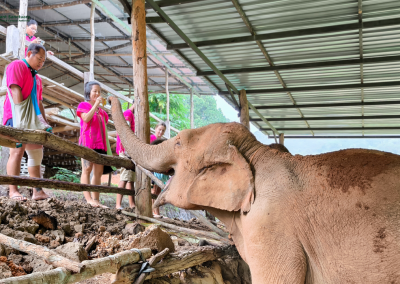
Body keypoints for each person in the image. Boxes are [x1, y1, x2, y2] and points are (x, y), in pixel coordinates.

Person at [3, 43, 50, 201]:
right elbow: (15, 90)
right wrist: (20, 120)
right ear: (29, 53)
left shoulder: (37, 78)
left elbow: (39, 102)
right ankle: (13, 190)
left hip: (33, 119)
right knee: (17, 150)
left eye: (44, 61)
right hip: (16, 115)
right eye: (39, 58)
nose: (41, 63)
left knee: (36, 151)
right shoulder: (16, 66)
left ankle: (37, 190)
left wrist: (44, 123)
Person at [77, 81, 112, 208]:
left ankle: (96, 200)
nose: (97, 93)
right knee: (86, 169)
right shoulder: (83, 105)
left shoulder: (102, 112)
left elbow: (104, 125)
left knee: (98, 172)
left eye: (99, 91)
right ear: (88, 93)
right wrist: (96, 104)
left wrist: (99, 107)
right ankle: (88, 199)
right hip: (87, 143)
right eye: (94, 91)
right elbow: (86, 118)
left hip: (100, 144)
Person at [115, 104, 136, 210]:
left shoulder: (133, 116)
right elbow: (125, 132)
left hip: (131, 150)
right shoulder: (128, 113)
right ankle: (118, 204)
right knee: (124, 176)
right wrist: (126, 149)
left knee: (130, 178)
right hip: (125, 149)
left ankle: (132, 204)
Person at [150, 138, 169, 216]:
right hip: (156, 174)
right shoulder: (154, 153)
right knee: (154, 192)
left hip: (162, 174)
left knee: (158, 193)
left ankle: (156, 211)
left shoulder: (165, 154)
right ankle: (154, 211)